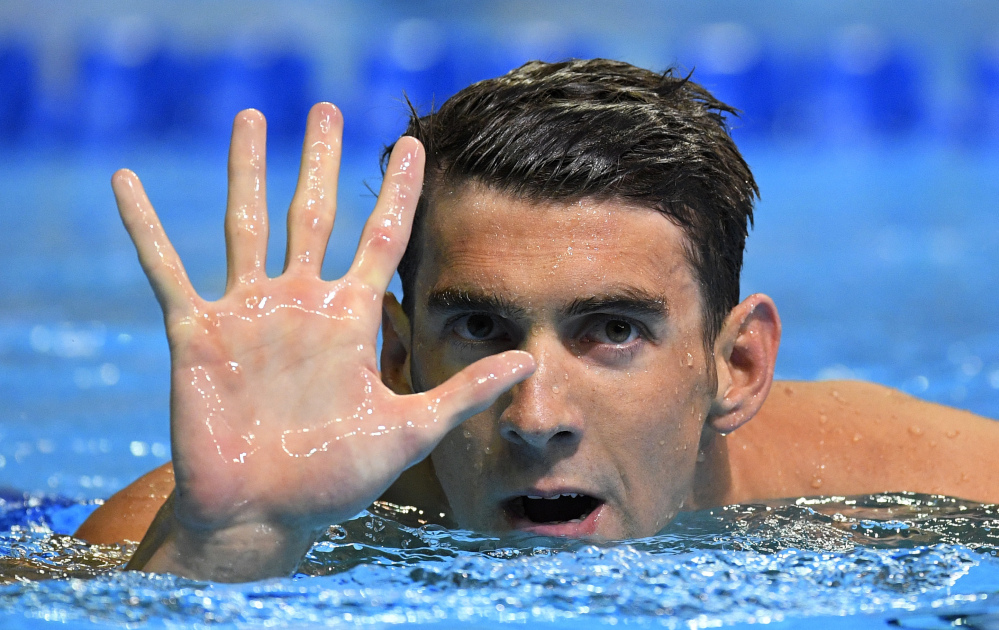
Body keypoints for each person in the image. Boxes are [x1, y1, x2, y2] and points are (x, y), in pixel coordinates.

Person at [75, 59, 999, 582]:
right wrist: (225, 552)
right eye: (478, 328)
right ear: (398, 356)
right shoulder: (205, 520)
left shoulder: (921, 491)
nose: (535, 415)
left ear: (738, 366)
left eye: (613, 330)